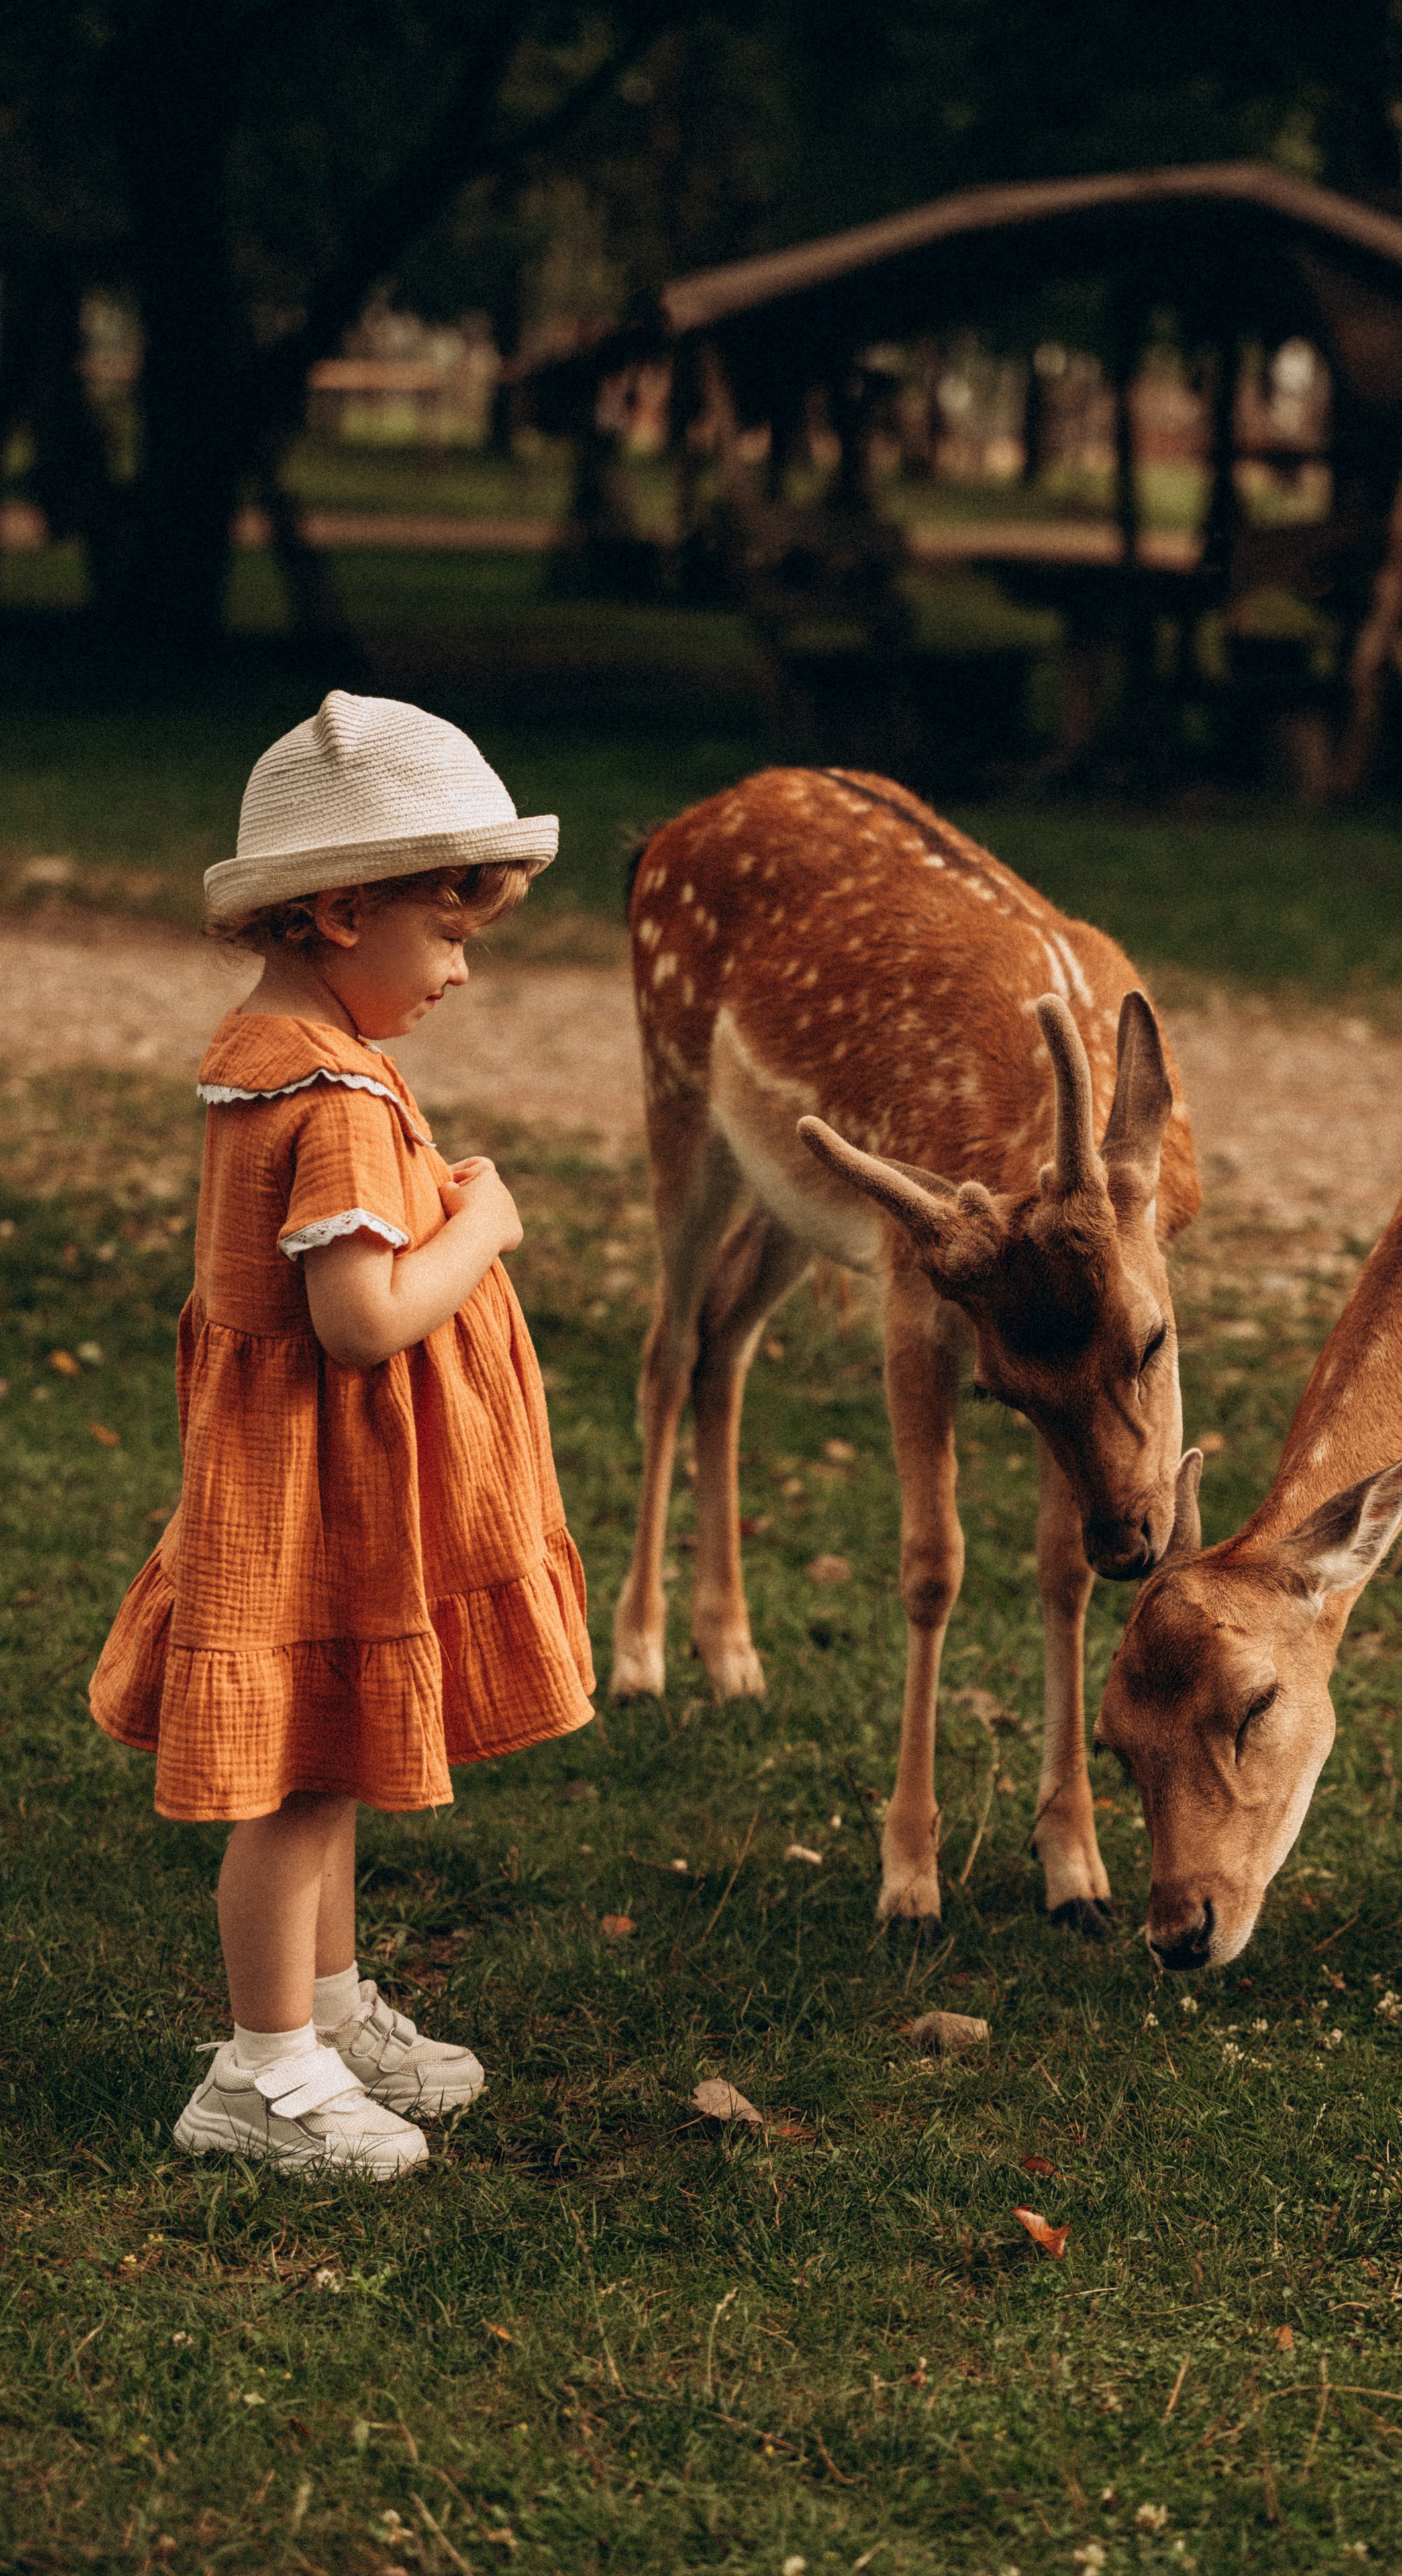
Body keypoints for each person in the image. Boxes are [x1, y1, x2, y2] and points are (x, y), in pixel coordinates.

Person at [90, 691, 595, 2179]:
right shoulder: (336, 1096)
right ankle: (261, 2072)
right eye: (448, 930)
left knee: (332, 1755)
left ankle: (322, 2012)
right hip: (312, 1488)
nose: (459, 968)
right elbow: (362, 1319)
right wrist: (485, 1225)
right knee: (298, 1791)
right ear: (342, 909)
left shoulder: (273, 1049)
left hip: (308, 1479)